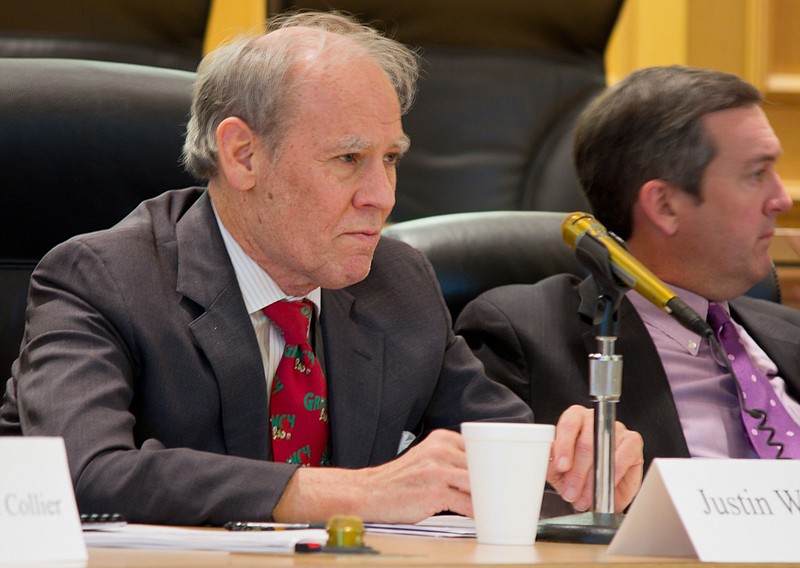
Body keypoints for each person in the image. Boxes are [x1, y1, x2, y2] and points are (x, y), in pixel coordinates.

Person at [0, 12, 643, 525]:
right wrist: (353, 493)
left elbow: (495, 451)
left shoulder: (397, 281)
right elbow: (80, 471)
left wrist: (574, 467)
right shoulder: (101, 277)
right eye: (348, 159)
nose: (383, 196)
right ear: (244, 155)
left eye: (391, 158)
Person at [456, 65, 799, 472]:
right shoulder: (526, 338)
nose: (783, 199)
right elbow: (488, 503)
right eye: (756, 174)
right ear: (664, 206)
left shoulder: (789, 333)